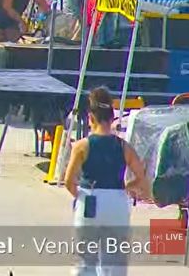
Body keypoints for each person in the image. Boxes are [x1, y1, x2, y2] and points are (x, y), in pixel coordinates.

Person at [64, 87, 152, 275]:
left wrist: (80, 196)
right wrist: (127, 187)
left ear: (91, 118)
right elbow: (141, 176)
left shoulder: (81, 146)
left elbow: (68, 181)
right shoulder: (123, 146)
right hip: (117, 202)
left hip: (89, 198)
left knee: (85, 259)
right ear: (112, 118)